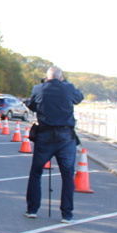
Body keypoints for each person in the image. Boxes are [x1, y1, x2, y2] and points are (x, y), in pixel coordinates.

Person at [23, 66, 84, 223]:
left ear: (47, 77)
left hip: (44, 134)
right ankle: (67, 214)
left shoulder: (39, 88)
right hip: (66, 135)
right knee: (67, 175)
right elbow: (79, 98)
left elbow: (31, 105)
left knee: (36, 172)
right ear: (60, 77)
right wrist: (65, 83)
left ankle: (32, 209)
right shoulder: (68, 88)